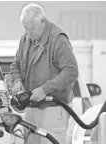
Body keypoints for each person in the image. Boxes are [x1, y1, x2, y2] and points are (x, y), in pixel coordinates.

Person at [10, 3, 79, 144]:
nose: (29, 34)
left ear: (43, 21)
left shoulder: (58, 39)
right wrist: (17, 80)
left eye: (32, 29)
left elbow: (71, 71)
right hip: (31, 109)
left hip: (53, 110)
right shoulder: (26, 38)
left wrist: (44, 89)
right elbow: (15, 64)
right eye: (26, 29)